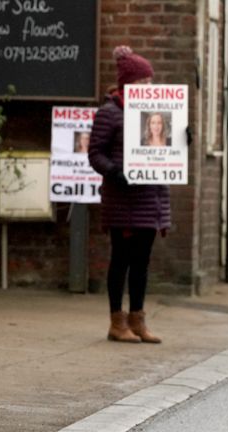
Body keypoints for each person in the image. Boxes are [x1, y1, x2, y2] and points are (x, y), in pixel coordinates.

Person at [88, 46, 170, 344]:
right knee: (121, 259)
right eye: (141, 83)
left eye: (150, 82)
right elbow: (95, 153)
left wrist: (182, 139)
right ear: (127, 84)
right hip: (123, 198)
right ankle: (116, 321)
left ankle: (138, 320)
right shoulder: (110, 113)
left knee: (142, 261)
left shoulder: (157, 113)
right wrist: (113, 171)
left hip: (151, 197)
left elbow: (166, 149)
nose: (147, 88)